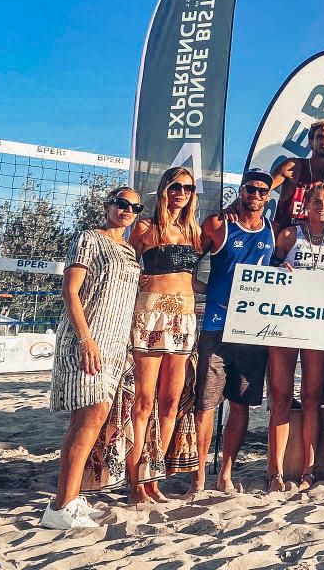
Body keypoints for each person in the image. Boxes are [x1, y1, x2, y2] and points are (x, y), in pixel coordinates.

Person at [44, 187, 143, 529]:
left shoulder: (130, 250)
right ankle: (61, 506)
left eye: (135, 206)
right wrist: (86, 339)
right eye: (121, 203)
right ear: (107, 206)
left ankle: (70, 499)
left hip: (116, 345)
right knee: (87, 419)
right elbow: (70, 290)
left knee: (91, 421)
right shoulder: (89, 238)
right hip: (88, 339)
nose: (127, 210)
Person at [188, 170, 276, 494]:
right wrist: (198, 287)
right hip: (215, 325)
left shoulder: (272, 230)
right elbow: (187, 261)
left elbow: (281, 273)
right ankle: (198, 477)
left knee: (240, 405)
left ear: (267, 197)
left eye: (262, 192)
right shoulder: (217, 224)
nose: (255, 195)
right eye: (250, 189)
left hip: (253, 330)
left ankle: (224, 473)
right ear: (241, 191)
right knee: (206, 405)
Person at [123, 167, 203, 504]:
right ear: (164, 189)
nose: (180, 193)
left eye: (187, 188)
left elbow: (189, 279)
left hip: (183, 320)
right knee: (142, 404)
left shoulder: (194, 231)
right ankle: (134, 483)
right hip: (150, 316)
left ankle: (153, 478)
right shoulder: (144, 228)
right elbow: (124, 267)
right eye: (175, 187)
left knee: (170, 404)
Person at [266, 183, 324, 492]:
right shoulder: (289, 235)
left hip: (318, 327)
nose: (321, 206)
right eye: (316, 201)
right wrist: (277, 268)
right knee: (282, 397)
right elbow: (264, 273)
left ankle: (308, 472)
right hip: (285, 323)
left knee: (312, 399)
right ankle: (276, 473)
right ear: (306, 205)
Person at [270, 120, 324, 235]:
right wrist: (236, 206)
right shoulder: (293, 166)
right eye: (320, 137)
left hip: (315, 242)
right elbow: (261, 189)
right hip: (285, 238)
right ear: (310, 142)